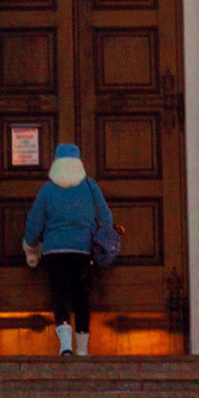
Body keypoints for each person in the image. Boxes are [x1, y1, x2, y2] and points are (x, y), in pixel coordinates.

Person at [22, 141, 120, 355]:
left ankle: (65, 345)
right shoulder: (90, 187)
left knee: (60, 295)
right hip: (82, 251)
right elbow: (106, 217)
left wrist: (30, 246)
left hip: (54, 251)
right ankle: (83, 348)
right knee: (81, 297)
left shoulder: (47, 190)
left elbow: (34, 221)